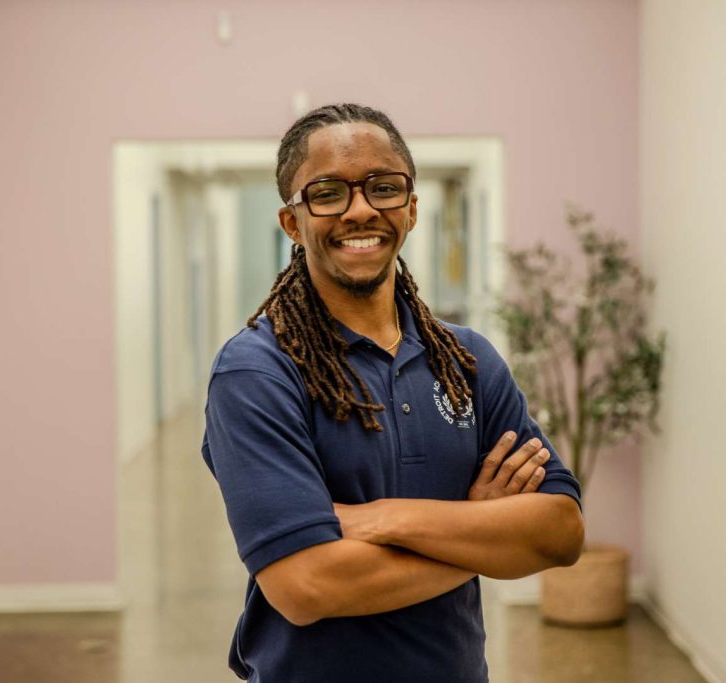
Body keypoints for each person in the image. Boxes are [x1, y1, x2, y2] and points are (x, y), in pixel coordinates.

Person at [201, 103, 583, 683]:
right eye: (328, 192)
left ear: (410, 208)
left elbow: (559, 532)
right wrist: (478, 530)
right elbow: (306, 586)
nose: (360, 210)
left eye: (382, 187)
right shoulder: (257, 372)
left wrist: (381, 519)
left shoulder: (467, 360)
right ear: (291, 222)